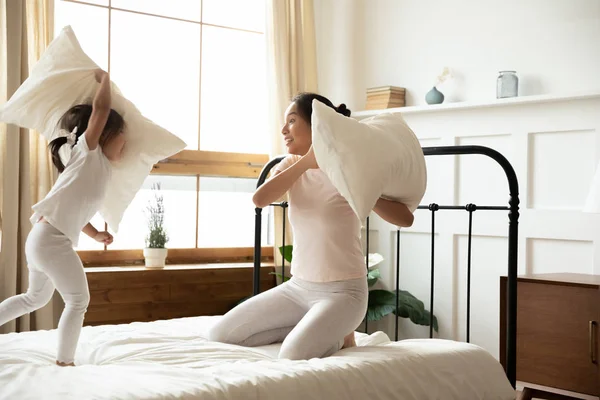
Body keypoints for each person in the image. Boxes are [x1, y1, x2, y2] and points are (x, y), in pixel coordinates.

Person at [208, 92, 414, 359]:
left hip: (344, 293)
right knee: (221, 334)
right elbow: (260, 199)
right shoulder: (291, 165)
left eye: (292, 121)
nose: (284, 129)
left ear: (315, 124)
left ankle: (338, 335)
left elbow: (405, 219)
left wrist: (360, 190)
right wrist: (307, 162)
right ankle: (310, 327)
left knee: (292, 355)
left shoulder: (349, 167)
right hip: (298, 288)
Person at [0, 68, 126, 366]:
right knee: (78, 300)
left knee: (34, 298)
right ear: (103, 134)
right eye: (123, 137)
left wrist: (94, 234)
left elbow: (74, 208)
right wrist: (105, 80)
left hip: (43, 238)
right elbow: (102, 109)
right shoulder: (87, 152)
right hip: (51, 240)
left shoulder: (94, 168)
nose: (127, 144)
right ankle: (65, 361)